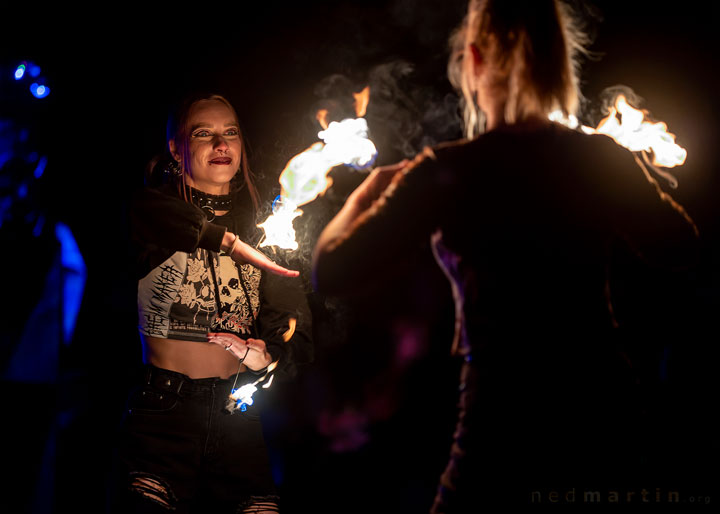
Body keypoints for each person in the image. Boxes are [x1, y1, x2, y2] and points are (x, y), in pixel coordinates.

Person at [312, 1, 700, 512]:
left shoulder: (448, 170)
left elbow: (329, 270)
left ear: (472, 59)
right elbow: (681, 246)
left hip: (502, 413)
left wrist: (367, 194)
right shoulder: (598, 156)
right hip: (603, 406)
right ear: (559, 60)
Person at [113, 93, 312, 514]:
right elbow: (148, 212)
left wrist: (268, 356)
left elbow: (293, 325)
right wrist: (226, 242)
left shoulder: (268, 226)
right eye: (204, 134)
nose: (221, 145)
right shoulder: (151, 213)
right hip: (164, 416)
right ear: (176, 148)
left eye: (231, 133)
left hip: (239, 417)